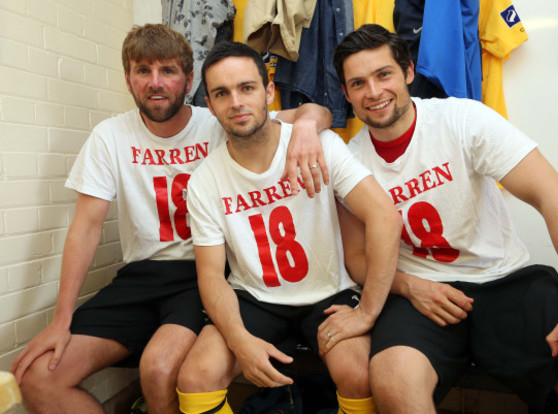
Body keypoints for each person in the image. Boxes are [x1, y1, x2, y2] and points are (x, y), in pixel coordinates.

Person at [10, 24, 333, 414]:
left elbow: (317, 111)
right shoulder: (109, 136)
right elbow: (86, 226)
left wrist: (306, 128)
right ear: (128, 78)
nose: (155, 82)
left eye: (168, 70)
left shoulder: (218, 121)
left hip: (201, 272)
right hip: (141, 275)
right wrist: (61, 318)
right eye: (142, 70)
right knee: (37, 379)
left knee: (160, 369)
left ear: (190, 79)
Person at [332, 24, 558, 414]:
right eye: (359, 83)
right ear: (346, 94)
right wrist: (411, 287)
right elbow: (358, 259)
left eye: (384, 74)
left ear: (408, 72)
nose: (374, 92)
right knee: (393, 380)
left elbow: (557, 199)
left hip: (502, 282)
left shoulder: (463, 120)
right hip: (421, 296)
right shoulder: (349, 161)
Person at [174, 41, 402, 414]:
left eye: (247, 88)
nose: (236, 102)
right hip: (254, 298)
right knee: (196, 377)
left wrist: (368, 313)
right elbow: (212, 277)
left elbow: (385, 217)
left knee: (359, 375)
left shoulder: (318, 145)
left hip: (328, 294)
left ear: (268, 92)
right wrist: (239, 340)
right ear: (210, 106)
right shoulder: (205, 180)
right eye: (221, 93)